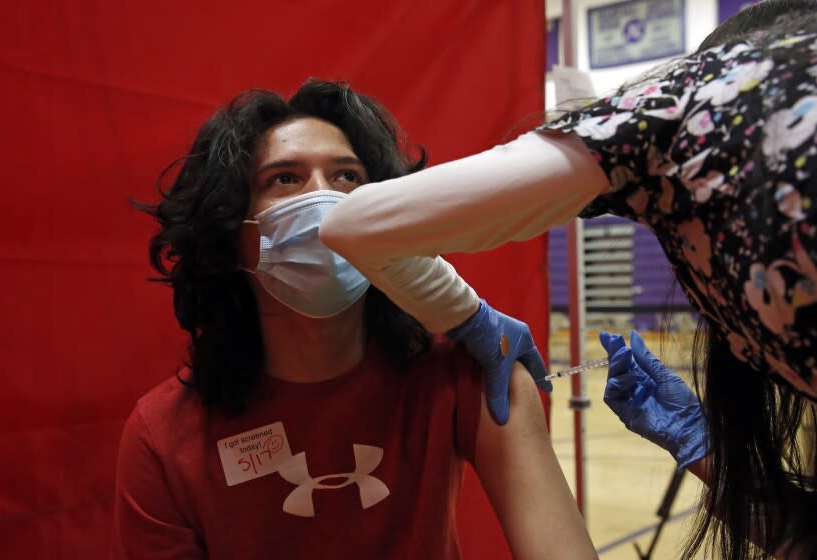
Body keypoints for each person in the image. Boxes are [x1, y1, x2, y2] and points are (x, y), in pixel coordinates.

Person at [318, 1, 817, 558]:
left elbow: (351, 224)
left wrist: (471, 318)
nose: (316, 200)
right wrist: (706, 452)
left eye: (344, 176)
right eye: (284, 178)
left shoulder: (711, 95)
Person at [111, 79, 597, 559]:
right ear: (233, 232)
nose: (326, 204)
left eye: (347, 177)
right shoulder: (164, 438)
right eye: (285, 179)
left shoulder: (474, 379)